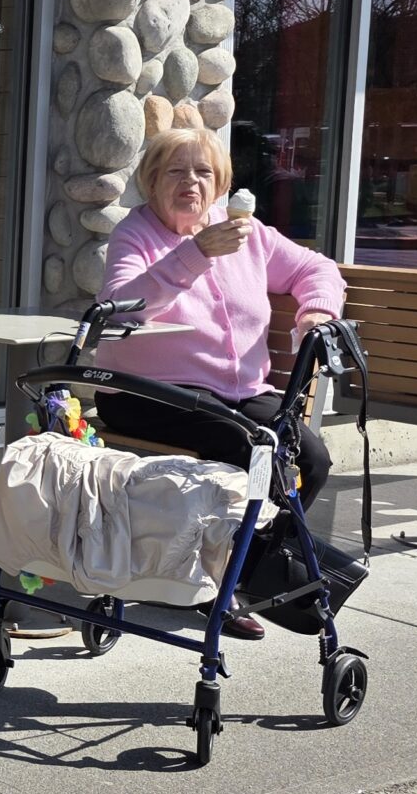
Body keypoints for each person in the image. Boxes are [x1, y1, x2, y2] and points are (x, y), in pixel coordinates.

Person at [93, 125, 346, 639]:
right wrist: (195, 254)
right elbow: (120, 308)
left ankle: (244, 573)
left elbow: (317, 269)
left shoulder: (245, 232)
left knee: (310, 459)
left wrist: (315, 313)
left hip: (237, 392)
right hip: (146, 393)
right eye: (176, 171)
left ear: (222, 184)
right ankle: (216, 587)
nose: (191, 182)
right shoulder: (136, 234)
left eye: (203, 172)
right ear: (151, 181)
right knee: (249, 451)